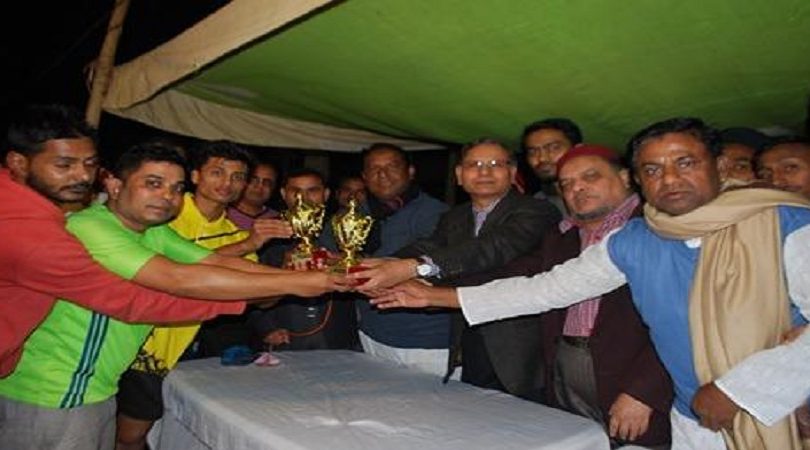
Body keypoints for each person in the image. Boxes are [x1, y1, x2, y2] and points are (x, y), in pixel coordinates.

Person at [367, 117, 810, 450]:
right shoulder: (636, 239)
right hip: (690, 416)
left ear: (717, 165)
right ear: (640, 178)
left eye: (685, 163)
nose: (670, 179)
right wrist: (434, 296)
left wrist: (740, 392)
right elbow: (546, 289)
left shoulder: (784, 223)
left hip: (777, 408)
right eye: (653, 169)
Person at [0, 104, 290, 450]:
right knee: (130, 436)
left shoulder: (153, 225)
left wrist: (292, 277)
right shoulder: (78, 226)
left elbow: (211, 264)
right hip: (63, 385)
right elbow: (164, 287)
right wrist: (289, 285)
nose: (82, 176)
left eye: (89, 164)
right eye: (153, 184)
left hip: (109, 374)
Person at [113, 143, 340, 450]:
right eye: (217, 172)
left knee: (188, 430)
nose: (227, 183)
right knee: (130, 435)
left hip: (201, 348)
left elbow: (258, 298)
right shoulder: (163, 214)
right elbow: (178, 274)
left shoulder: (236, 233)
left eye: (237, 176)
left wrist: (289, 276)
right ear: (195, 175)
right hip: (144, 344)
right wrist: (249, 248)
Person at [484, 144, 672, 448]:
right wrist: (431, 284)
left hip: (632, 377)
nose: (577, 188)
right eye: (567, 184)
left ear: (626, 177)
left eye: (590, 176)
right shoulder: (562, 236)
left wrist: (644, 392)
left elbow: (683, 322)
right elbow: (514, 276)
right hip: (566, 369)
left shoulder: (657, 228)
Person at [357, 139, 559, 397]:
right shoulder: (456, 216)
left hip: (519, 348)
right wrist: (379, 268)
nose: (484, 172)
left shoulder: (537, 211)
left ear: (512, 172)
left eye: (495, 164)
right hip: (468, 337)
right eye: (474, 164)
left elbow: (488, 249)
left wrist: (412, 269)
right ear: (460, 175)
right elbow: (428, 246)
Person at [354, 143, 450, 376]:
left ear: (410, 172)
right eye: (374, 168)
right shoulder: (354, 214)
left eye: (392, 167)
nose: (382, 174)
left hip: (426, 342)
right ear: (364, 177)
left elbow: (440, 264)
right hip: (371, 333)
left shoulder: (438, 213)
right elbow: (331, 256)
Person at [249, 168, 360, 351]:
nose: (303, 198)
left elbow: (364, 271)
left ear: (326, 194)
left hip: (337, 332)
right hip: (285, 332)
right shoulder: (265, 233)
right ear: (284, 194)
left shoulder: (346, 229)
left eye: (312, 191)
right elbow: (248, 284)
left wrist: (336, 265)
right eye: (296, 191)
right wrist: (265, 328)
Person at [521, 117, 583, 213]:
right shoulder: (536, 205)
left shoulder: (603, 193)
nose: (542, 158)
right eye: (533, 152)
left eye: (554, 148)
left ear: (578, 150)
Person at [227, 160, 281, 229]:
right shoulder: (222, 213)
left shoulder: (278, 220)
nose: (259, 186)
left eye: (267, 183)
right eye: (253, 180)